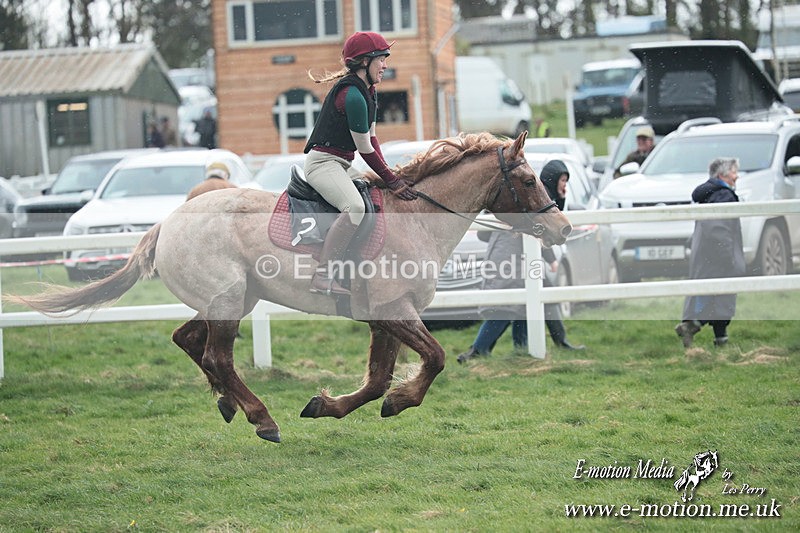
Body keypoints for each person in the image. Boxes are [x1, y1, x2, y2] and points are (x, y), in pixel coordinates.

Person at [303, 31, 416, 296]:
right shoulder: (352, 96)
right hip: (323, 164)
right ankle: (322, 275)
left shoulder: (370, 92)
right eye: (382, 59)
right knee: (354, 208)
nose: (386, 65)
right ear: (364, 61)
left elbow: (373, 139)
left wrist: (390, 175)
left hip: (341, 164)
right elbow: (365, 149)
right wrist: (393, 180)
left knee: (378, 198)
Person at [456, 160, 585, 363]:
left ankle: (522, 349)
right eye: (562, 180)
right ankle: (478, 350)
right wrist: (550, 259)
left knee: (525, 304)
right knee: (507, 307)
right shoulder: (538, 202)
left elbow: (486, 236)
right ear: (553, 179)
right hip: (511, 257)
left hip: (512, 255)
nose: (565, 185)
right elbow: (542, 233)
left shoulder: (534, 198)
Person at [675, 157, 745, 348]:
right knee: (719, 299)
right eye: (733, 172)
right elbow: (718, 228)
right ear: (722, 175)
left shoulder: (710, 194)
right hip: (718, 258)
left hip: (707, 257)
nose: (736, 176)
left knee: (715, 299)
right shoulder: (723, 195)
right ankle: (691, 328)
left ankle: (719, 341)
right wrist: (728, 256)